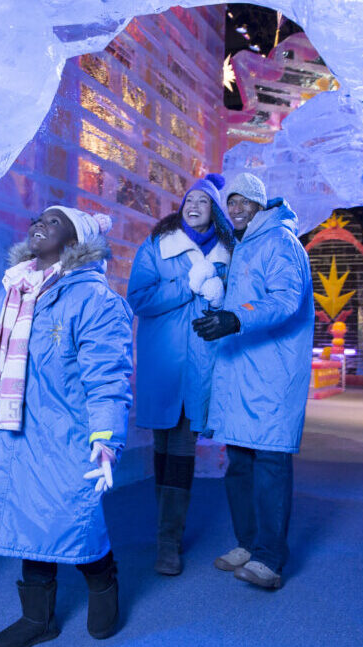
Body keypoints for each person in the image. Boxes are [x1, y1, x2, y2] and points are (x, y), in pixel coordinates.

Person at [0, 206, 134, 647]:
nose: (39, 224)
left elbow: (107, 377)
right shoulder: (13, 289)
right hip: (14, 429)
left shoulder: (94, 300)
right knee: (25, 521)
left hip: (67, 432)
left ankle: (103, 578)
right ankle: (38, 618)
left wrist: (106, 440)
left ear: (76, 241)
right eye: (37, 218)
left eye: (55, 222)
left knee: (74, 519)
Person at [192, 173, 314, 590]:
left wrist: (235, 316)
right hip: (244, 370)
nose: (237, 208)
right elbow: (246, 299)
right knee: (240, 463)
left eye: (245, 201)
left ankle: (269, 558)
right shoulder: (246, 246)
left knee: (270, 464)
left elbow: (284, 300)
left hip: (273, 373)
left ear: (261, 204)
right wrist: (220, 308)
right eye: (232, 202)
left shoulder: (280, 242)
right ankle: (248, 542)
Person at [127, 173, 234, 575]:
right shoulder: (158, 245)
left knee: (184, 446)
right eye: (189, 199)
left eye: (203, 202)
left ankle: (168, 540)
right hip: (164, 360)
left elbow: (234, 301)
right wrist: (186, 287)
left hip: (204, 360)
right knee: (163, 443)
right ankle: (165, 535)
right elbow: (138, 298)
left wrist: (218, 297)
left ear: (215, 212)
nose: (194, 206)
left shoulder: (228, 250)